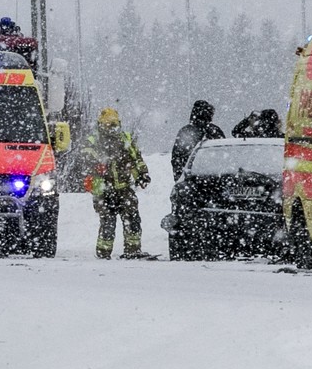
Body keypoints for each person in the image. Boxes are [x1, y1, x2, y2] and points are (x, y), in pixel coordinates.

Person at [84, 107, 153, 260]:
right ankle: (103, 252)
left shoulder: (125, 139)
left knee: (132, 219)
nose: (112, 129)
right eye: (109, 125)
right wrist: (97, 162)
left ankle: (133, 250)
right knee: (107, 222)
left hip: (124, 188)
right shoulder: (94, 140)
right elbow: (86, 155)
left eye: (114, 125)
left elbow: (136, 160)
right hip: (102, 188)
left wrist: (142, 175)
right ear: (101, 125)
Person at [170, 100, 226, 180]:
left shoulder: (185, 131)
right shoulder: (214, 130)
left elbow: (176, 158)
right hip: (214, 178)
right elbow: (224, 153)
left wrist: (180, 177)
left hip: (191, 179)